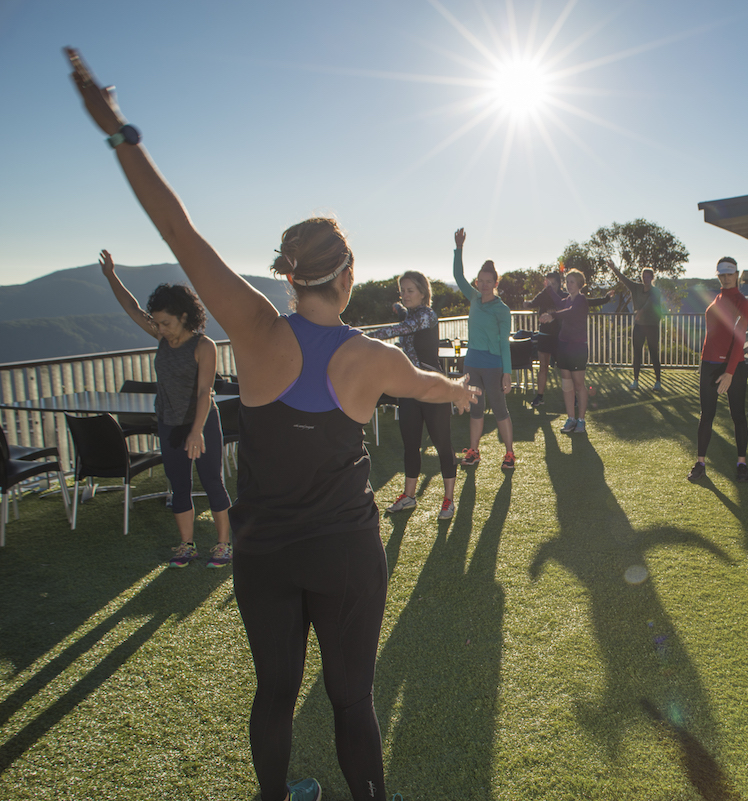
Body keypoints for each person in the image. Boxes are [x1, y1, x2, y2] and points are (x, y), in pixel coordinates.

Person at [68, 49, 478, 801]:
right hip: (346, 552)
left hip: (264, 553)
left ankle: (272, 795)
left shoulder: (254, 329)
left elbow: (176, 226)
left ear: (289, 275)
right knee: (352, 698)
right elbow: (428, 383)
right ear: (348, 276)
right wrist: (461, 389)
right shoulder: (373, 357)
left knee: (274, 695)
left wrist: (120, 131)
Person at [101, 250, 232, 568]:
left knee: (212, 481)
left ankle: (223, 545)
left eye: (166, 323)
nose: (159, 329)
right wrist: (111, 276)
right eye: (157, 323)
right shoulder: (162, 337)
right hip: (169, 423)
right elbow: (132, 308)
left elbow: (205, 391)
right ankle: (187, 545)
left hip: (200, 423)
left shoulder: (203, 346)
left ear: (184, 317)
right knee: (179, 484)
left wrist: (197, 431)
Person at [368, 271, 457, 519]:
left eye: (410, 291)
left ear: (423, 293)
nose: (405, 295)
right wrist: (399, 307)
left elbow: (404, 327)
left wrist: (362, 337)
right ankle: (408, 496)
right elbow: (405, 316)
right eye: (402, 290)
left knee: (442, 444)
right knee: (410, 445)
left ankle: (448, 499)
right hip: (408, 388)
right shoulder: (411, 313)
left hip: (432, 388)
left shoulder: (427, 315)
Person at [452, 228, 516, 469]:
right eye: (481, 281)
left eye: (489, 282)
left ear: (495, 283)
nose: (485, 285)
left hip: (493, 365)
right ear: (477, 282)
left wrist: (507, 372)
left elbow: (503, 342)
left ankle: (509, 453)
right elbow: (458, 277)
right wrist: (459, 248)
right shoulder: (474, 299)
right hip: (472, 364)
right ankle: (474, 451)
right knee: (475, 410)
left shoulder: (502, 309)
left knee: (500, 409)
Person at [688, 258, 748, 483]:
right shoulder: (716, 299)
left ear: (737, 275)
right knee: (706, 415)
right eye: (722, 274)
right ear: (718, 275)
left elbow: (739, 337)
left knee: (738, 416)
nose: (725, 278)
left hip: (733, 366)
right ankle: (700, 463)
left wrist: (730, 371)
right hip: (710, 364)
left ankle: (742, 463)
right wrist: (705, 364)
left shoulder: (742, 302)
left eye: (729, 274)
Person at [538, 268, 607, 434]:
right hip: (563, 346)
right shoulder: (567, 299)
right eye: (567, 282)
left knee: (578, 384)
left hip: (578, 348)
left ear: (579, 284)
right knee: (566, 384)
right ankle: (571, 418)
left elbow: (570, 313)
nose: (569, 285)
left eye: (572, 282)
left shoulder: (581, 300)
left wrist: (552, 315)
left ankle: (581, 420)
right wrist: (548, 287)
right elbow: (557, 300)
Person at [609, 261, 665, 391]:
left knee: (654, 353)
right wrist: (613, 268)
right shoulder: (635, 288)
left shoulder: (655, 291)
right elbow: (623, 279)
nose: (646, 279)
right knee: (637, 353)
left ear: (652, 278)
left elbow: (650, 302)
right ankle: (635, 380)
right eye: (644, 277)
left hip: (652, 326)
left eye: (648, 277)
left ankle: (658, 381)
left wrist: (640, 311)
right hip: (639, 326)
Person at [527, 270, 567, 408]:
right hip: (544, 336)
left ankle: (572, 396)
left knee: (564, 369)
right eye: (548, 284)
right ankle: (540, 397)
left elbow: (576, 305)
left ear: (559, 284)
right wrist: (526, 303)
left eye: (553, 284)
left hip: (559, 337)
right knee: (543, 367)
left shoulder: (563, 296)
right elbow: (532, 303)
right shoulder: (543, 294)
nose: (550, 287)